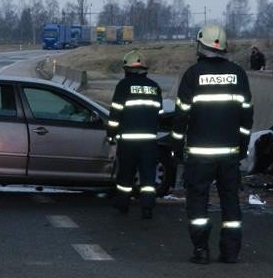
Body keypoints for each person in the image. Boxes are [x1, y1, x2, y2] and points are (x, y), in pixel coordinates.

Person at [173, 24, 254, 264]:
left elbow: (181, 116)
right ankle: (230, 253)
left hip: (199, 155)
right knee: (230, 202)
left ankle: (201, 250)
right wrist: (241, 145)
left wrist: (177, 147)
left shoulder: (192, 74)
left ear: (201, 45)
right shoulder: (238, 74)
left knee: (198, 203)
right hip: (229, 154)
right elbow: (246, 115)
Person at [107, 49, 163, 219]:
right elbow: (159, 114)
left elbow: (115, 114)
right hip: (149, 141)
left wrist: (111, 135)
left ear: (126, 68)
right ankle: (147, 207)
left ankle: (123, 204)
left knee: (126, 174)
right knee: (148, 176)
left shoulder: (123, 86)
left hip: (128, 140)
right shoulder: (154, 87)